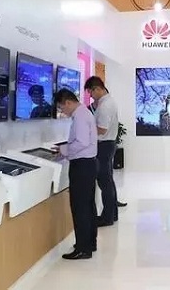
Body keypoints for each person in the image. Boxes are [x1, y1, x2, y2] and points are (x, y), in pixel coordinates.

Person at [54, 88, 98, 260]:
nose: (62, 112)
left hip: (82, 166)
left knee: (80, 207)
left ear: (68, 102)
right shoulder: (83, 113)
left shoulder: (80, 116)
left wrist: (64, 150)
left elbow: (81, 142)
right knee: (88, 206)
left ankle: (83, 248)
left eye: (61, 108)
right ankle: (89, 243)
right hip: (88, 164)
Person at [84, 76, 122, 226]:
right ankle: (112, 215)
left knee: (105, 183)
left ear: (98, 89)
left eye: (91, 92)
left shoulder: (105, 105)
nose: (91, 96)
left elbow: (102, 129)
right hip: (108, 144)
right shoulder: (107, 102)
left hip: (104, 146)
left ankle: (107, 217)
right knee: (108, 182)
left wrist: (85, 130)